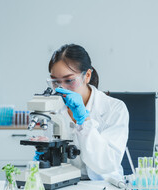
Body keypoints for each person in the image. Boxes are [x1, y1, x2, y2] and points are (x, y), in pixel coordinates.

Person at [47, 44, 129, 181]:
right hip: (65, 184)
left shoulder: (115, 108)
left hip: (104, 184)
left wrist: (84, 121)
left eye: (69, 80)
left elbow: (106, 164)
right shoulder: (53, 109)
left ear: (87, 76)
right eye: (55, 82)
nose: (61, 89)